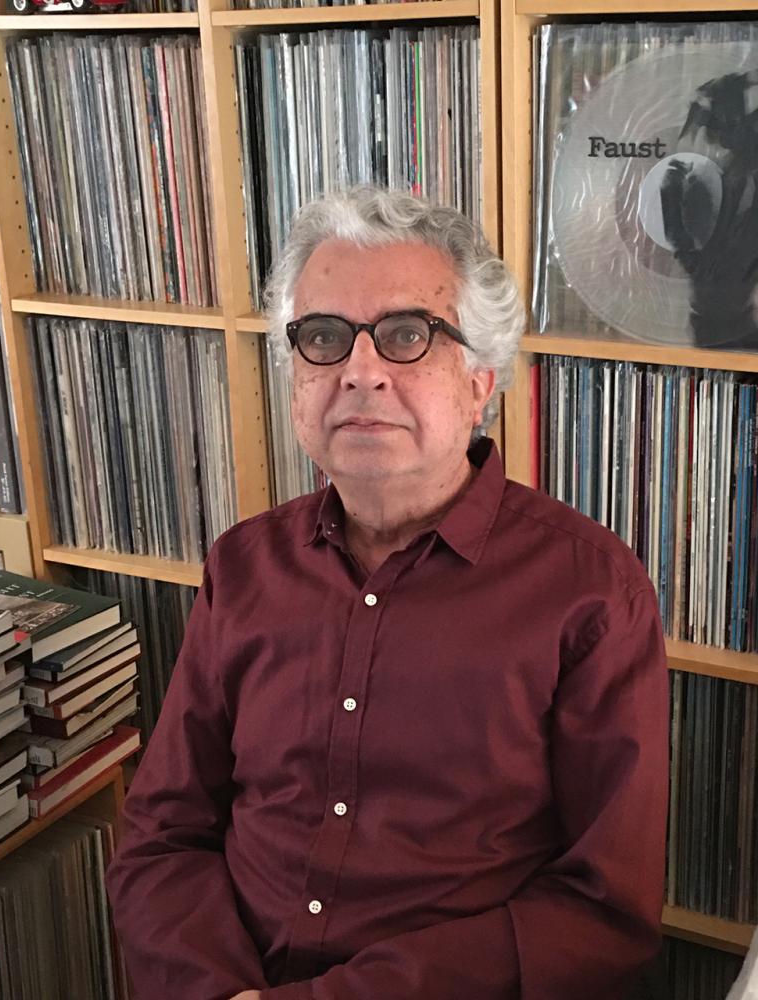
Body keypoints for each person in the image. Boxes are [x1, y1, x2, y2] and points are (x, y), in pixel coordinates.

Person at [106, 186, 669, 1000]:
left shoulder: (591, 593)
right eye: (325, 338)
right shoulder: (242, 567)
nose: (360, 372)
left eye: (407, 334)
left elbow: (601, 914)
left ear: (481, 379)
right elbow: (163, 833)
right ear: (296, 375)